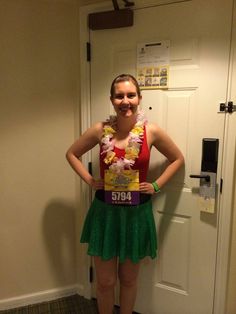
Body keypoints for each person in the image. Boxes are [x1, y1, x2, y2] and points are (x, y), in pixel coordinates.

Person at [66, 74, 184, 314]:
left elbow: (177, 159)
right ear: (112, 100)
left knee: (129, 280)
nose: (125, 100)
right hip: (105, 215)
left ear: (139, 98)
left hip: (136, 215)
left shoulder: (151, 131)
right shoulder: (100, 130)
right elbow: (71, 154)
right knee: (106, 282)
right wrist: (90, 180)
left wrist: (156, 185)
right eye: (119, 96)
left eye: (130, 95)